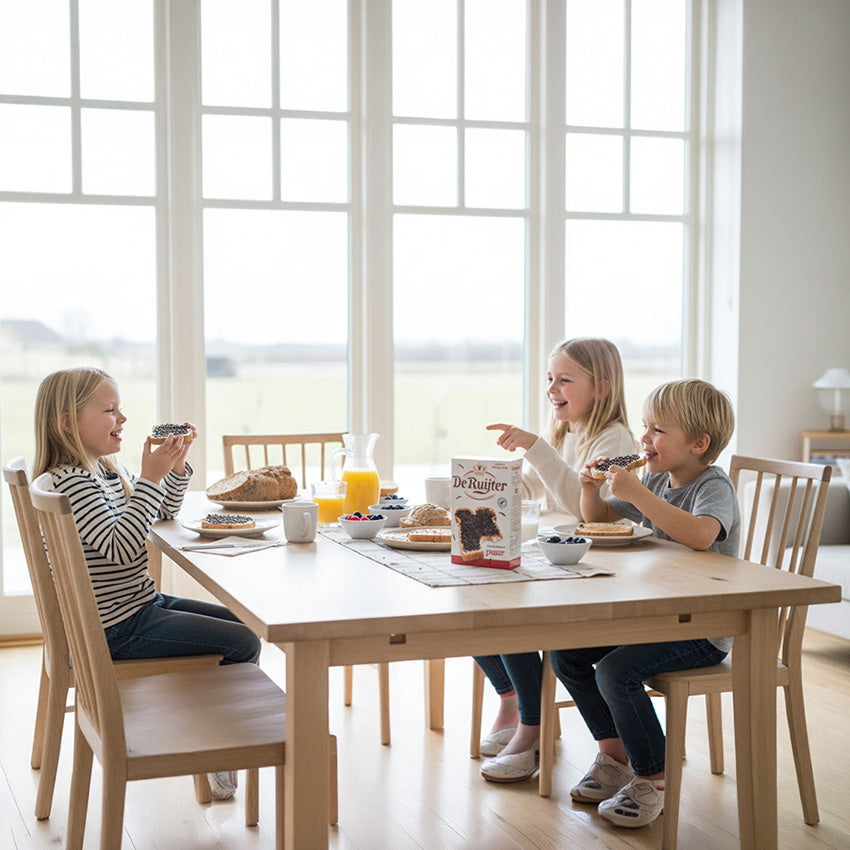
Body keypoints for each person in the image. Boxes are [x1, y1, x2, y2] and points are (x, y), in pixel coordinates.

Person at [33, 367, 261, 801]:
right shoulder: (74, 483)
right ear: (67, 422)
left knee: (244, 627)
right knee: (243, 643)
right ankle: (217, 751)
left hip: (134, 607)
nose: (122, 419)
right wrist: (150, 479)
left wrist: (171, 470)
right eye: (110, 410)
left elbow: (160, 513)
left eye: (120, 408)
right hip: (117, 627)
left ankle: (210, 737)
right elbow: (121, 545)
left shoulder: (100, 471)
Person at [548, 377, 739, 828]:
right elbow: (600, 519)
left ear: (698, 443)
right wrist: (592, 491)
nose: (644, 439)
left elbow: (700, 535)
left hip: (702, 630)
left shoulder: (714, 486)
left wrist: (638, 494)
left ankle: (654, 778)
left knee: (616, 671)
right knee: (566, 652)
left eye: (657, 431)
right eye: (645, 427)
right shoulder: (655, 476)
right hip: (659, 618)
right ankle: (615, 758)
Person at [475, 338, 639, 782]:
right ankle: (516, 700)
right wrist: (485, 483)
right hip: (567, 563)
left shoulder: (616, 439)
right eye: (550, 378)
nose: (552, 388)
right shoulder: (567, 429)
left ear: (602, 387)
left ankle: (532, 726)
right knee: (475, 602)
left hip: (602, 575)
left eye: (565, 379)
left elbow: (581, 506)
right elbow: (534, 488)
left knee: (510, 610)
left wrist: (536, 447)